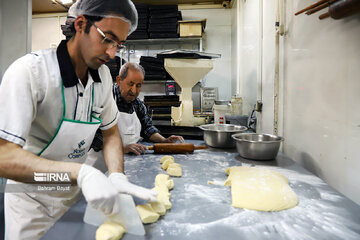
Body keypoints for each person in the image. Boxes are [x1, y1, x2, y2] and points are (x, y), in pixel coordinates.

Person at [0, 0, 157, 239]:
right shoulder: (30, 73)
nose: (112, 53)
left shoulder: (103, 77)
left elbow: (111, 131)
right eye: (107, 38)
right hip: (32, 203)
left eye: (119, 45)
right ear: (82, 24)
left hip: (76, 198)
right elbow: (4, 157)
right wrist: (81, 173)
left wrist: (116, 174)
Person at [91, 62, 184, 156]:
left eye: (138, 85)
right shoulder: (104, 100)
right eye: (130, 84)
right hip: (103, 164)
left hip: (129, 161)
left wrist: (164, 140)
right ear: (119, 80)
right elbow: (94, 137)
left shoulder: (137, 104)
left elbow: (147, 128)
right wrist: (122, 148)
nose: (134, 90)